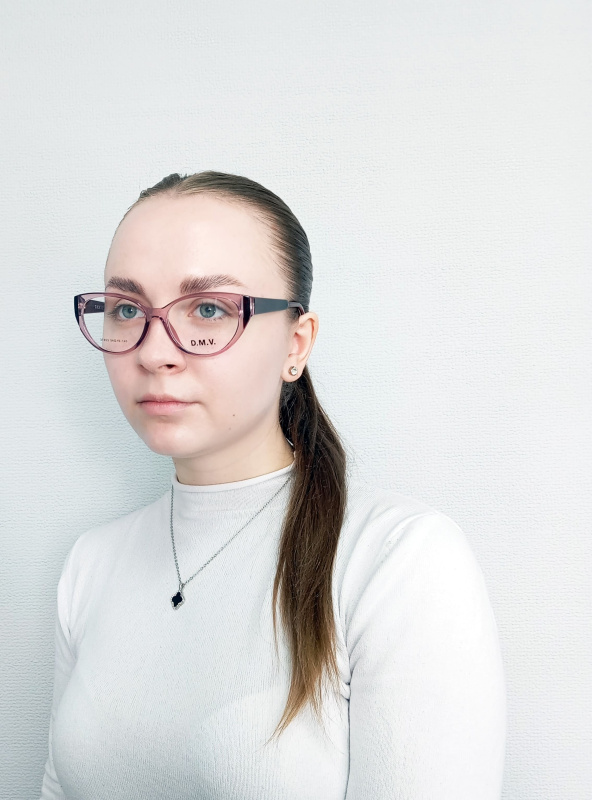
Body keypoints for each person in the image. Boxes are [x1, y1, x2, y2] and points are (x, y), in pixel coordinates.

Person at [39, 171, 507, 799]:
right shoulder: (90, 564)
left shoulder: (396, 561)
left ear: (296, 343)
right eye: (127, 310)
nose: (154, 353)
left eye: (208, 309)